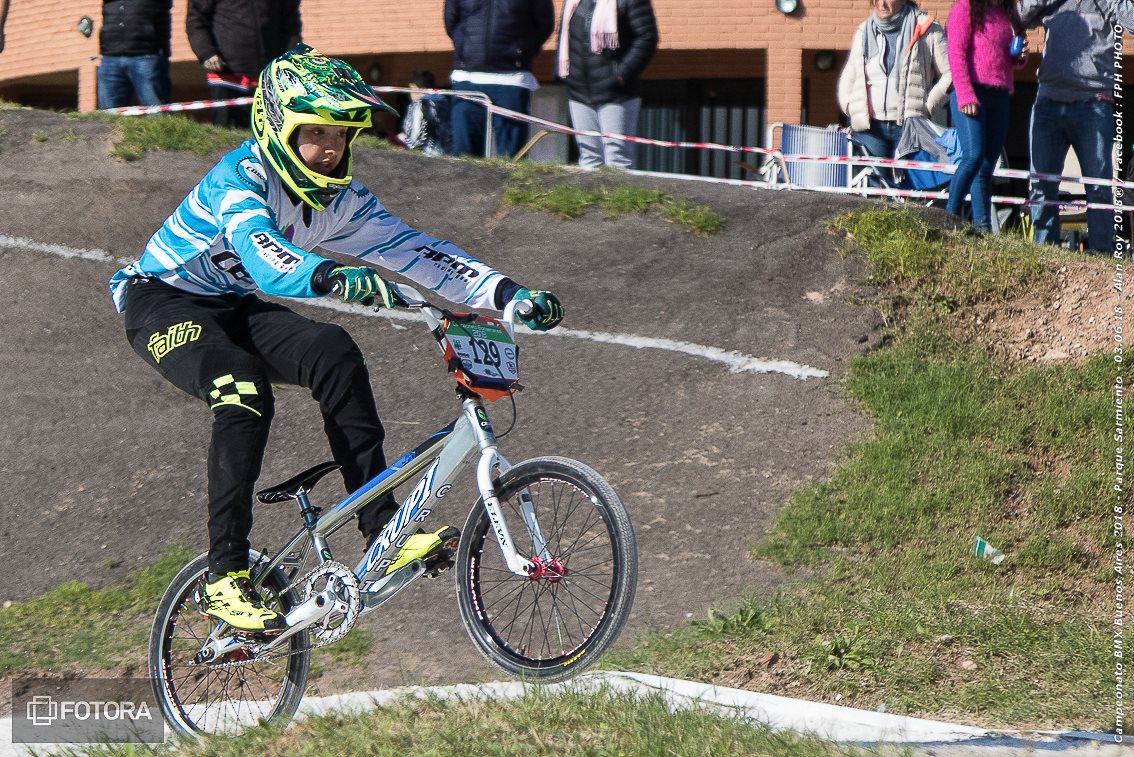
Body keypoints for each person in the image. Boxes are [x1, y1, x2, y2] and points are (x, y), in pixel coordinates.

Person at [107, 45, 564, 632]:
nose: (330, 149)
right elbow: (267, 259)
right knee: (242, 390)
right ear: (276, 127)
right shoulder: (240, 179)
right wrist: (328, 273)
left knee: (334, 350)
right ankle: (223, 573)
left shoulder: (341, 201)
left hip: (232, 304)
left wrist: (508, 294)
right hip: (160, 301)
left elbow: (420, 254)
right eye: (315, 132)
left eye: (341, 135)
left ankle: (382, 530)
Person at [1019, 0, 1134, 253]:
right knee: (1041, 185)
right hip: (1048, 101)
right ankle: (1043, 254)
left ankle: (1101, 257)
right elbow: (1020, 16)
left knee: (1099, 188)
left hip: (1094, 104)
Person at [944, 0, 1026, 231]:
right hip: (971, 92)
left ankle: (983, 227)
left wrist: (1020, 57)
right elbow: (955, 54)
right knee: (974, 156)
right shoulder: (965, 6)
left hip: (999, 95)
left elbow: (1009, 59)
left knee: (987, 165)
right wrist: (965, 95)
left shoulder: (1008, 13)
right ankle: (949, 216)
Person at [837, 0, 951, 163]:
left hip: (910, 127)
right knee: (875, 184)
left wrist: (928, 105)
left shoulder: (927, 28)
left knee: (909, 185)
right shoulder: (865, 31)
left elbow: (950, 73)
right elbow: (849, 75)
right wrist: (849, 106)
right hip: (871, 129)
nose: (881, 4)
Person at [444, 0, 555, 158]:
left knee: (513, 157)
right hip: (467, 79)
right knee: (464, 156)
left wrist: (522, 51)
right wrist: (465, 47)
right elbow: (451, 20)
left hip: (511, 80)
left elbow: (545, 24)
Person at [556, 0, 658, 169]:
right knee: (589, 158)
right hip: (579, 92)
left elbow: (647, 37)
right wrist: (567, 76)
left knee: (617, 160)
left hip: (616, 94)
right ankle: (592, 197)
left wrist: (621, 75)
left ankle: (620, 197)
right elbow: (564, 36)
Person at [186, 0, 301, 128]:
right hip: (226, 78)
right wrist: (206, 52)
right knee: (227, 139)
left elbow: (291, 23)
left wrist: (290, 58)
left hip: (269, 78)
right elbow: (196, 20)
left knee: (271, 136)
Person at [96, 0, 173, 109]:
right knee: (109, 118)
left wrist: (164, 52)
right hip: (110, 56)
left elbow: (165, 15)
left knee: (156, 112)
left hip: (147, 54)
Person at [399, 70, 452, 157]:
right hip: (446, 156)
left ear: (413, 87)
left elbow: (415, 140)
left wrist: (401, 139)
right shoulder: (444, 104)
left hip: (425, 158)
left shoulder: (418, 105)